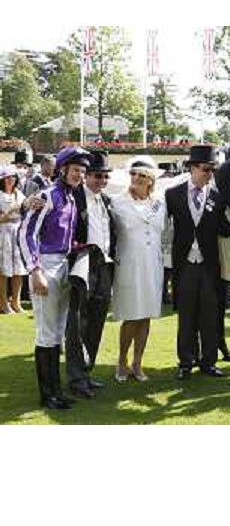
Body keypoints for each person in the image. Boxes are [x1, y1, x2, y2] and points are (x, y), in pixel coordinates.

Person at [18, 146, 91, 410]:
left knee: (58, 332)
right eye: (75, 170)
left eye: (82, 172)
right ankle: (47, 395)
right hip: (46, 266)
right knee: (47, 333)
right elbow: (26, 234)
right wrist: (35, 270)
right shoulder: (47, 196)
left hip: (63, 265)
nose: (79, 175)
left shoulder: (70, 198)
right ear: (63, 170)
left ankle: (55, 392)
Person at [166, 145, 230, 380]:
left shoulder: (218, 198)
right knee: (186, 316)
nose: (210, 174)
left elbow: (224, 228)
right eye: (206, 169)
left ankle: (208, 362)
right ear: (192, 168)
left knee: (210, 314)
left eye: (212, 170)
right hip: (185, 264)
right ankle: (186, 362)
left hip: (209, 265)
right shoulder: (173, 194)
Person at [64, 151, 116, 399]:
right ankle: (76, 379)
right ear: (86, 176)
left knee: (96, 321)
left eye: (105, 176)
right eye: (97, 175)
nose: (102, 180)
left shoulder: (106, 201)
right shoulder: (73, 197)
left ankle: (87, 372)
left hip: (104, 265)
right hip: (81, 264)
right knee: (77, 324)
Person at [112, 157, 166, 383]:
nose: (136, 179)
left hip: (152, 264)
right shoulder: (117, 202)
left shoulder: (160, 204)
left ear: (151, 181)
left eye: (142, 176)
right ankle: (122, 360)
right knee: (131, 316)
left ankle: (137, 362)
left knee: (146, 316)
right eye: (133, 174)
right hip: (129, 264)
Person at [0, 167, 28, 313]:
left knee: (18, 269)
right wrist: (10, 211)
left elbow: (26, 212)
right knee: (3, 271)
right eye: (7, 177)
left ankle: (16, 302)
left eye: (13, 177)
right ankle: (3, 303)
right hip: (2, 233)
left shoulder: (20, 194)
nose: (11, 179)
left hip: (17, 233)